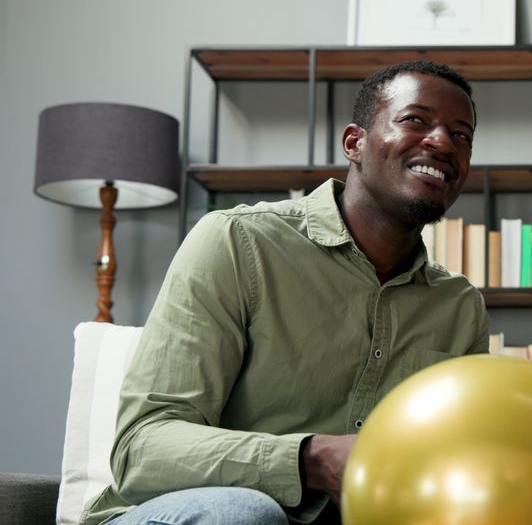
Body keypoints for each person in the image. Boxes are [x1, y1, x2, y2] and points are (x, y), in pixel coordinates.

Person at [81, 60, 490, 525]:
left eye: (462, 136)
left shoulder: (460, 308)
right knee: (243, 514)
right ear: (354, 143)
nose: (442, 143)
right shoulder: (236, 242)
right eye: (415, 120)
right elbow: (142, 450)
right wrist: (311, 459)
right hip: (186, 515)